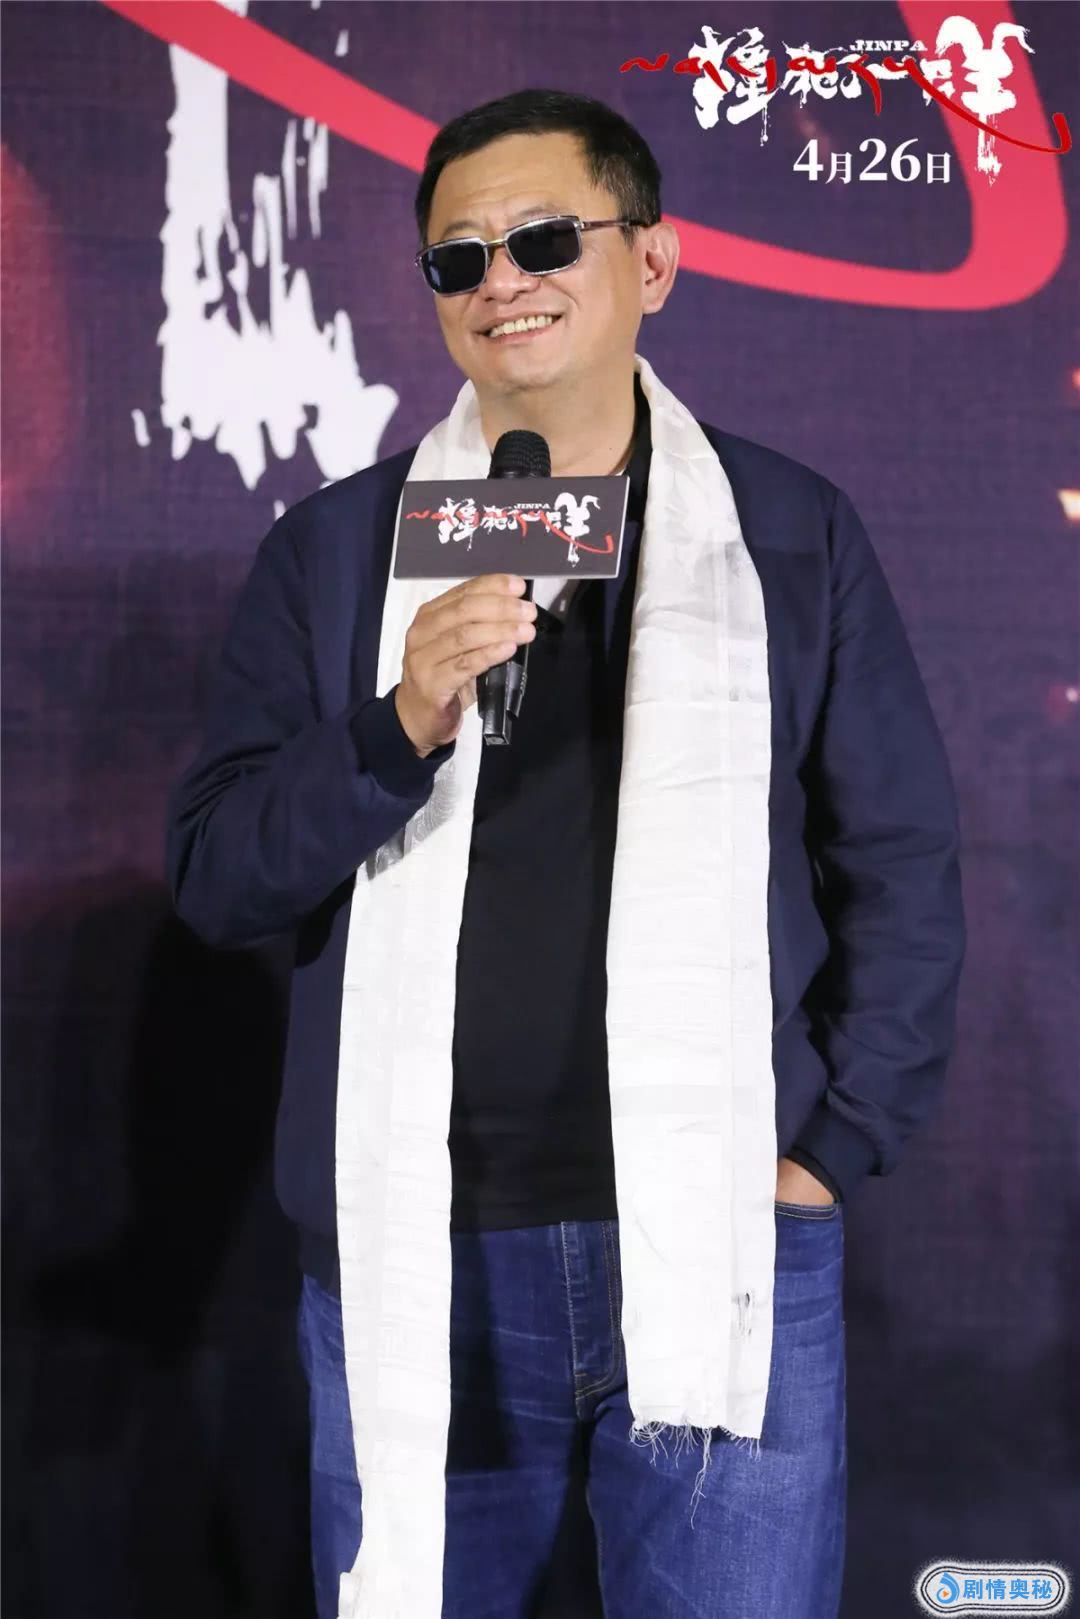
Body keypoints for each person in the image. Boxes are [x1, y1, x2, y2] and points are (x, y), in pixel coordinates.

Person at [165, 88, 966, 1619]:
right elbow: (218, 874)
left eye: (543, 240)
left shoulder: (786, 531)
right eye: (458, 258)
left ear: (651, 262)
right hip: (424, 1254)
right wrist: (398, 720)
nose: (501, 282)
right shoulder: (339, 551)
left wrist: (827, 1152)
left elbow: (901, 862)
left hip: (723, 1236)